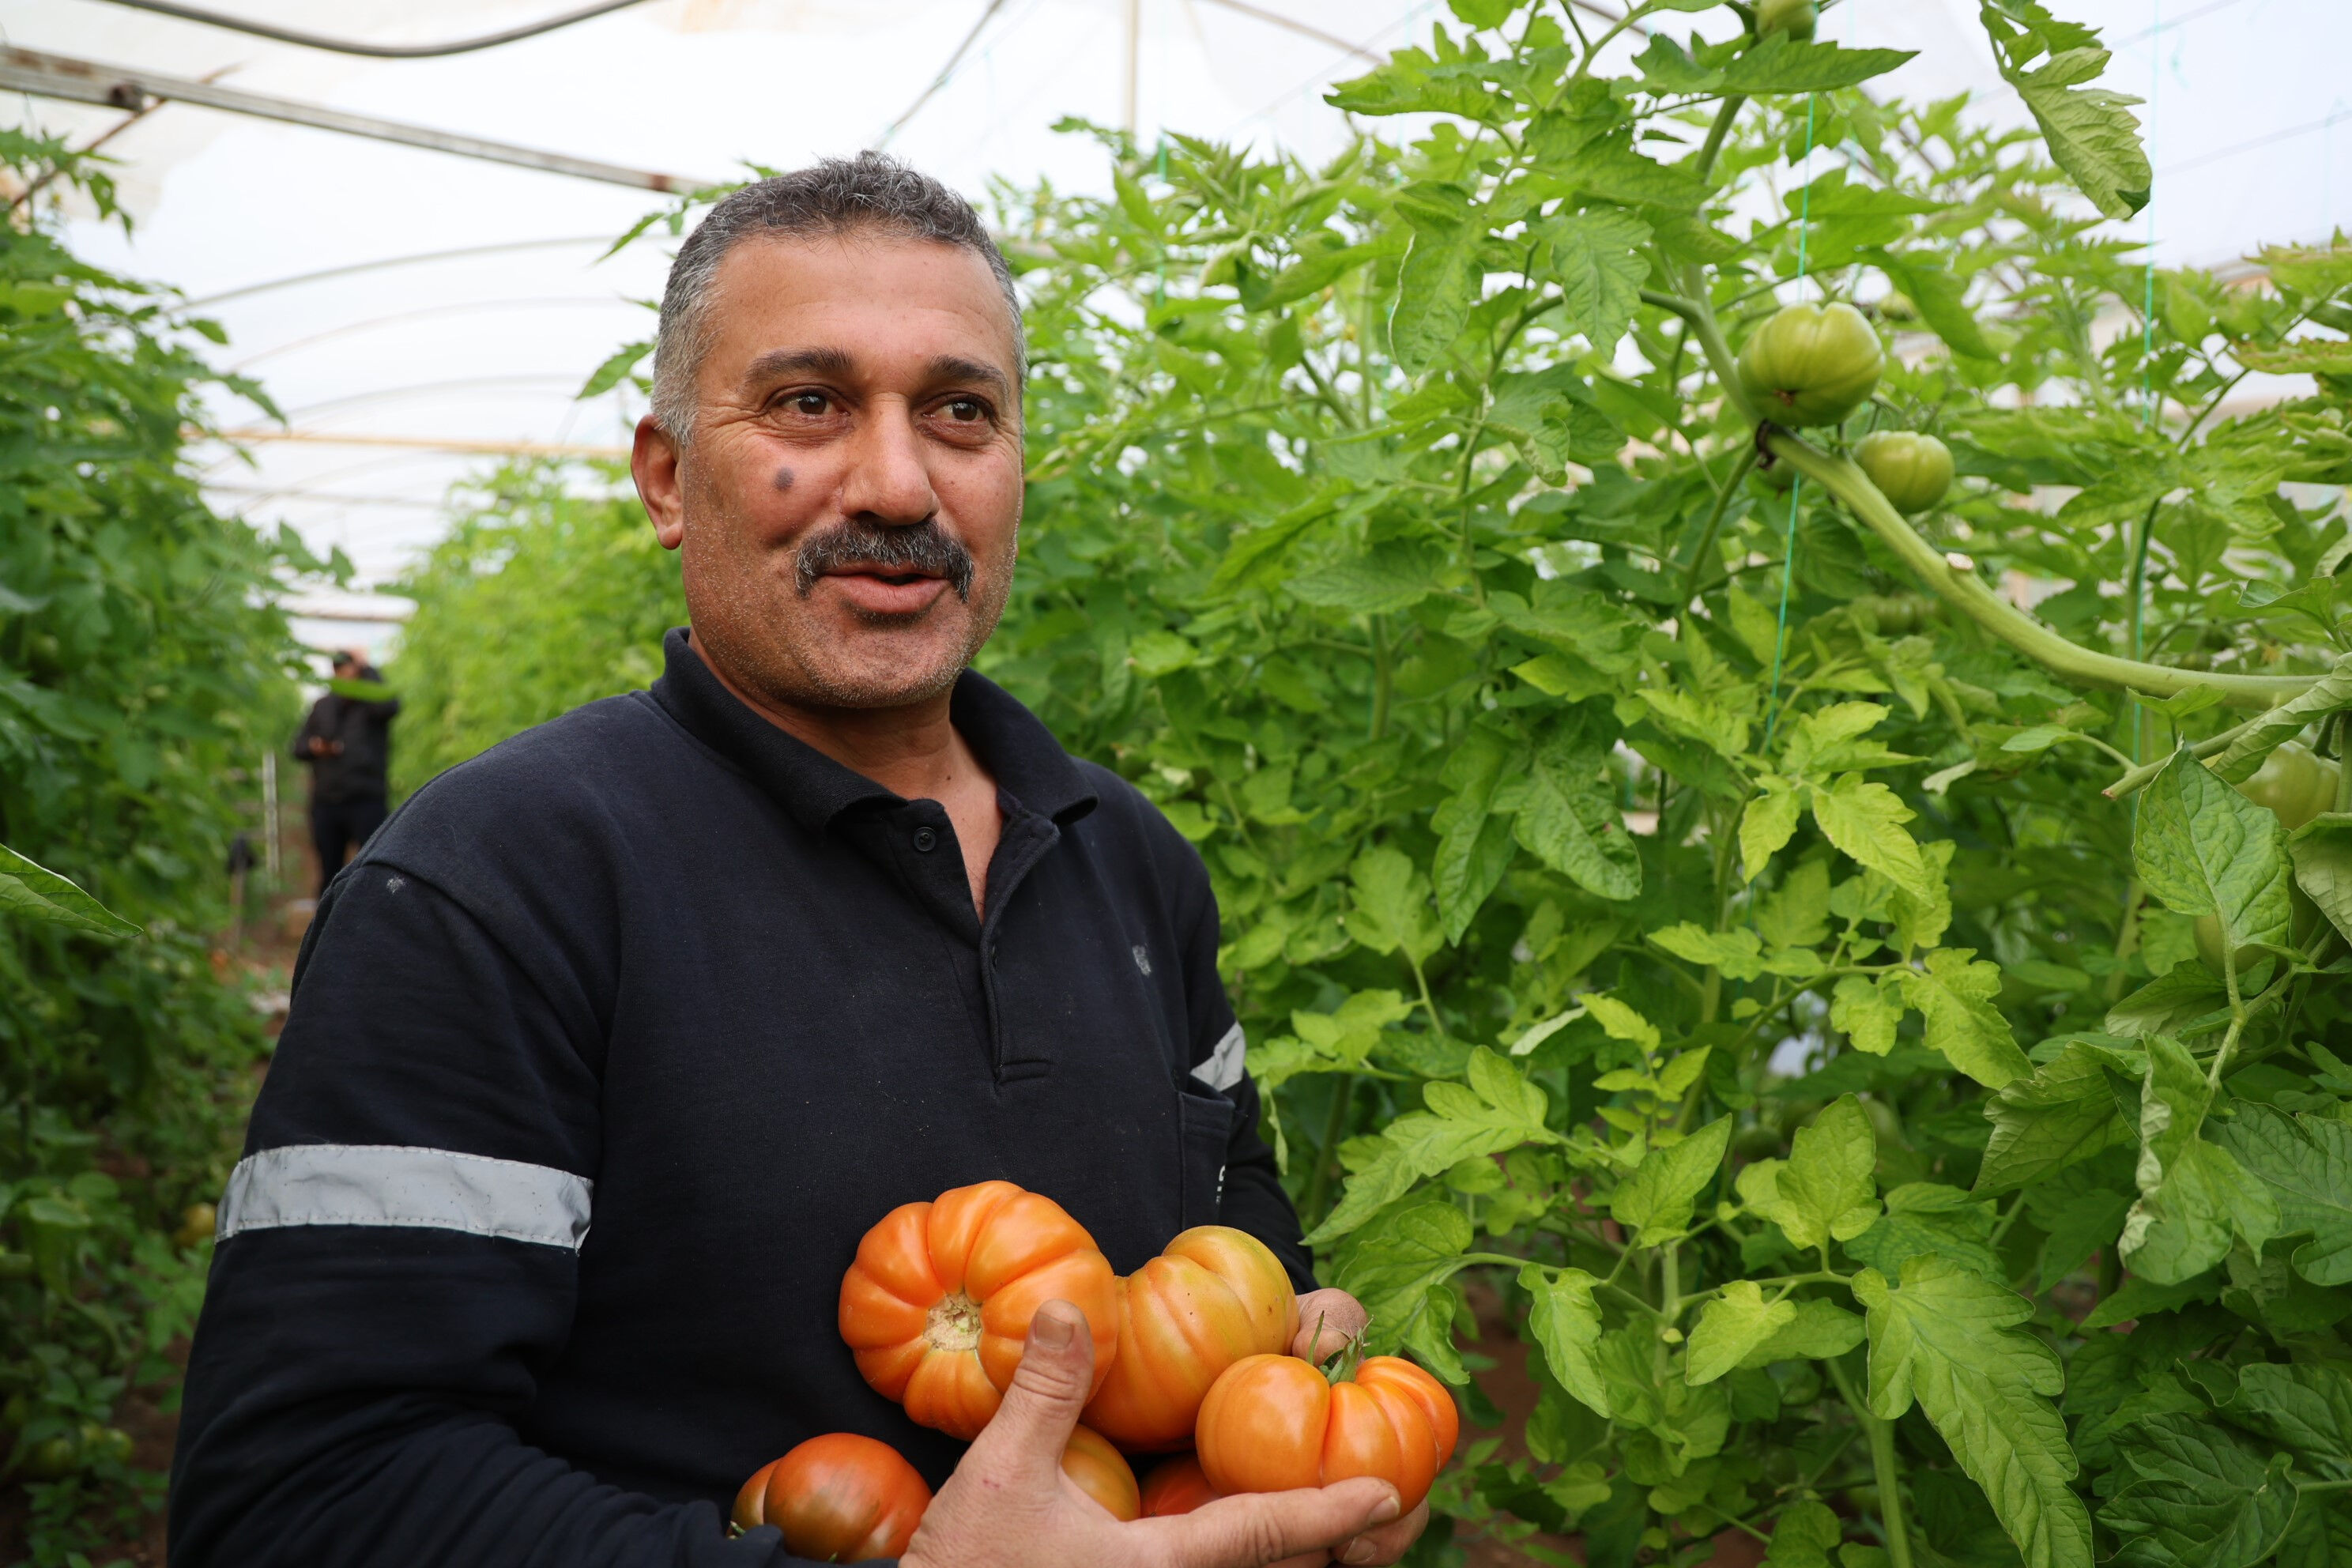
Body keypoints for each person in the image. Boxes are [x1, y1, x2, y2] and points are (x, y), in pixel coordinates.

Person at [168, 155, 1430, 1568]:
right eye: (808, 403)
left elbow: (1233, 1213)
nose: (897, 482)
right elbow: (301, 1497)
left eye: (961, 411)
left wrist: (1297, 1431)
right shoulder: (491, 885)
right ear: (665, 478)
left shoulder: (1129, 862)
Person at [289, 650, 400, 894]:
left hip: (367, 799)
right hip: (327, 803)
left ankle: (376, 925)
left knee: (376, 867)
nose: (345, 674)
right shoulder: (322, 706)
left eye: (350, 668)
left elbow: (390, 705)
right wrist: (315, 747)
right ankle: (329, 928)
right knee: (330, 873)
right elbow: (297, 747)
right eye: (339, 669)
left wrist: (368, 668)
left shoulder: (372, 707)